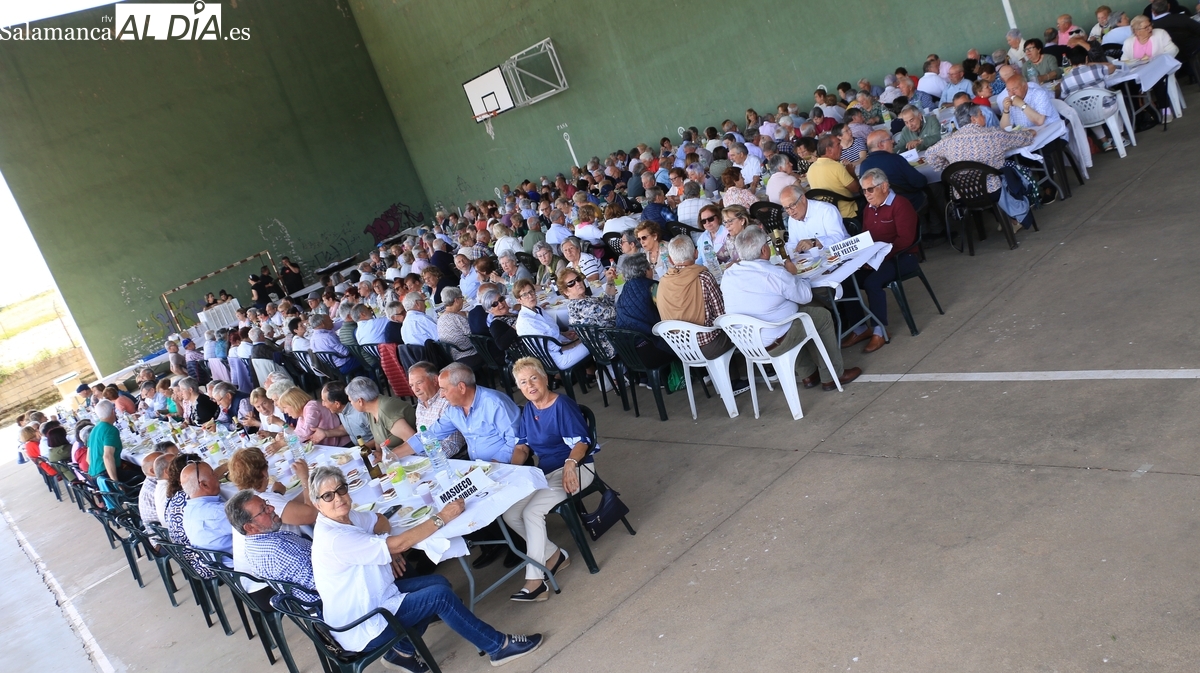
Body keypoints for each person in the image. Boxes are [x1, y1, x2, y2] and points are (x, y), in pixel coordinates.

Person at [301, 466, 542, 670]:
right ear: (317, 504)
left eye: (341, 489)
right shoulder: (334, 539)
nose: (338, 498)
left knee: (439, 584)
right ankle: (498, 646)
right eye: (328, 496)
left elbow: (380, 520)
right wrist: (442, 517)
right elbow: (401, 542)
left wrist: (389, 551)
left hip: (376, 598)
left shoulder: (347, 517)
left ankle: (402, 652)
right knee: (440, 597)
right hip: (365, 622)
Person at [720, 227, 860, 391]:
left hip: (748, 344)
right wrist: (792, 274)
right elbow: (805, 296)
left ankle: (808, 374)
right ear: (765, 250)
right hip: (775, 340)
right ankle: (833, 375)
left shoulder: (728, 275)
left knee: (789, 314)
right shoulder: (774, 274)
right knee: (820, 315)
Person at [502, 358, 596, 601]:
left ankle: (535, 581)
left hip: (576, 470)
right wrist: (513, 473)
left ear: (545, 378)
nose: (530, 385)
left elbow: (581, 443)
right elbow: (522, 447)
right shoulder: (528, 410)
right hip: (545, 474)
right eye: (523, 382)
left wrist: (569, 465)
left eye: (534, 378)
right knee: (510, 513)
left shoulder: (561, 405)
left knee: (532, 512)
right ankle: (554, 556)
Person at [839, 169, 920, 354]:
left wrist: (877, 258)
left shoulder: (900, 204)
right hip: (877, 258)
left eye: (870, 190)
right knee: (845, 279)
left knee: (872, 282)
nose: (866, 195)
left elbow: (906, 240)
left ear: (884, 186)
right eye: (864, 191)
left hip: (903, 257)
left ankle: (879, 331)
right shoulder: (869, 208)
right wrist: (864, 257)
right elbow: (868, 237)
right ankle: (860, 329)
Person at [924, 103, 1038, 228]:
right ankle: (1018, 214)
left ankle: (1007, 221)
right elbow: (1021, 139)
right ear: (973, 119)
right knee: (1014, 170)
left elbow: (929, 154)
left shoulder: (948, 141)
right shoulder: (992, 134)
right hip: (992, 191)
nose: (984, 116)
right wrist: (1030, 133)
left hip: (963, 195)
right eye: (981, 114)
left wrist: (949, 167)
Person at [659, 236, 749, 390]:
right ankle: (740, 379)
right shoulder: (703, 277)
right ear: (696, 253)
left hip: (681, 348)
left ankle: (721, 380)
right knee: (732, 329)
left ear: (671, 260)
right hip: (708, 346)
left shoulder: (663, 281)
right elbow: (722, 315)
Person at [394, 363, 520, 463]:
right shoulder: (454, 410)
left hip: (504, 466)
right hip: (478, 467)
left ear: (461, 387)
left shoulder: (494, 404)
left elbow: (515, 441)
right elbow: (430, 435)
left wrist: (495, 465)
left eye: (444, 389)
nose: (441, 395)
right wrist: (393, 455)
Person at [513, 278, 590, 371]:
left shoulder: (537, 309)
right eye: (525, 295)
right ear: (519, 300)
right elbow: (552, 347)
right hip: (557, 358)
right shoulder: (526, 321)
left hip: (562, 347)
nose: (530, 296)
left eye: (531, 292)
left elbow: (549, 330)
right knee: (596, 341)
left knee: (590, 336)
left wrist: (563, 334)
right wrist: (576, 343)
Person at [614, 253, 674, 369]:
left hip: (628, 354)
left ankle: (647, 379)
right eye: (650, 267)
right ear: (645, 270)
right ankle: (703, 373)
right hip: (650, 352)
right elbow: (669, 313)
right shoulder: (652, 287)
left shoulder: (625, 291)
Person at [344, 377, 417, 457]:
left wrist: (385, 456)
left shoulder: (386, 410)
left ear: (360, 401)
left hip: (413, 456)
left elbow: (414, 441)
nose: (351, 404)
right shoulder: (370, 410)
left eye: (350, 401)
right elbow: (379, 440)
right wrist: (379, 455)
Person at [858, 131, 929, 211]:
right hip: (909, 204)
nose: (893, 142)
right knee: (936, 190)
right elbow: (920, 182)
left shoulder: (864, 165)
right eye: (889, 139)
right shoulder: (896, 159)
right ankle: (937, 222)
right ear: (881, 145)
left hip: (883, 210)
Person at [407, 361, 466, 459]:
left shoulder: (448, 400)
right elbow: (420, 436)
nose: (415, 389)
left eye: (419, 383)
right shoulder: (421, 402)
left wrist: (425, 459)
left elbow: (453, 444)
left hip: (451, 459)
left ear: (435, 380)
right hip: (427, 457)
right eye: (411, 385)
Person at [1124, 14, 1180, 113]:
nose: (1150, 28)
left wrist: (1156, 60)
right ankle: (1140, 115)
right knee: (1128, 86)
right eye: (1146, 27)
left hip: (1160, 69)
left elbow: (1173, 50)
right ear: (1136, 31)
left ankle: (1165, 110)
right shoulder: (1128, 43)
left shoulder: (1160, 34)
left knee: (1156, 78)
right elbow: (1124, 61)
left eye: (1150, 25)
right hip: (1139, 73)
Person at [778, 186, 850, 257]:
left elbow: (838, 238)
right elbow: (793, 243)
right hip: (813, 261)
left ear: (802, 199)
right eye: (786, 208)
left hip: (841, 255)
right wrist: (785, 253)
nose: (790, 211)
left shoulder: (826, 210)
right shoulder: (792, 219)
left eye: (792, 205)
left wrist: (814, 242)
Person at [806, 134, 861, 219]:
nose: (842, 147)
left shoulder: (811, 169)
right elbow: (856, 189)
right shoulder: (837, 167)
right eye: (838, 144)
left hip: (827, 216)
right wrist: (851, 173)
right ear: (829, 150)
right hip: (847, 213)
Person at [277, 387, 350, 447]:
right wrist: (285, 436)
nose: (284, 411)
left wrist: (283, 443)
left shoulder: (311, 406)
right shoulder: (301, 416)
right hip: (330, 447)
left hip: (343, 444)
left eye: (285, 407)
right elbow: (298, 433)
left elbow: (306, 431)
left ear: (294, 403)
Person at [86, 400, 138, 483]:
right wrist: (116, 483)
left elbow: (88, 459)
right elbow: (107, 457)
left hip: (95, 478)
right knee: (142, 476)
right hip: (107, 476)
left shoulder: (94, 430)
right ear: (113, 412)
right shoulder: (110, 430)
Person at [436, 286, 480, 366]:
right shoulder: (456, 318)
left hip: (453, 356)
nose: (463, 300)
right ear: (456, 300)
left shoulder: (440, 318)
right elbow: (474, 335)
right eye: (461, 298)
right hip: (467, 354)